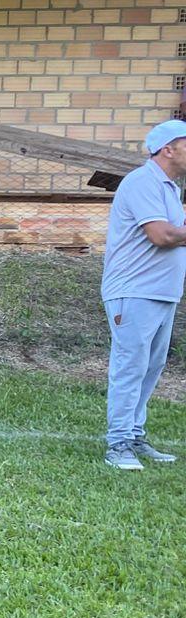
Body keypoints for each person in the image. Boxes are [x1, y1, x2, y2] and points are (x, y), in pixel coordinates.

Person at [100, 119, 186, 469]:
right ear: (169, 149)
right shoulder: (142, 182)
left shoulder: (170, 188)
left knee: (151, 366)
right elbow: (162, 236)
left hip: (162, 293)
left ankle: (134, 436)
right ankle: (117, 444)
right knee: (130, 365)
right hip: (133, 291)